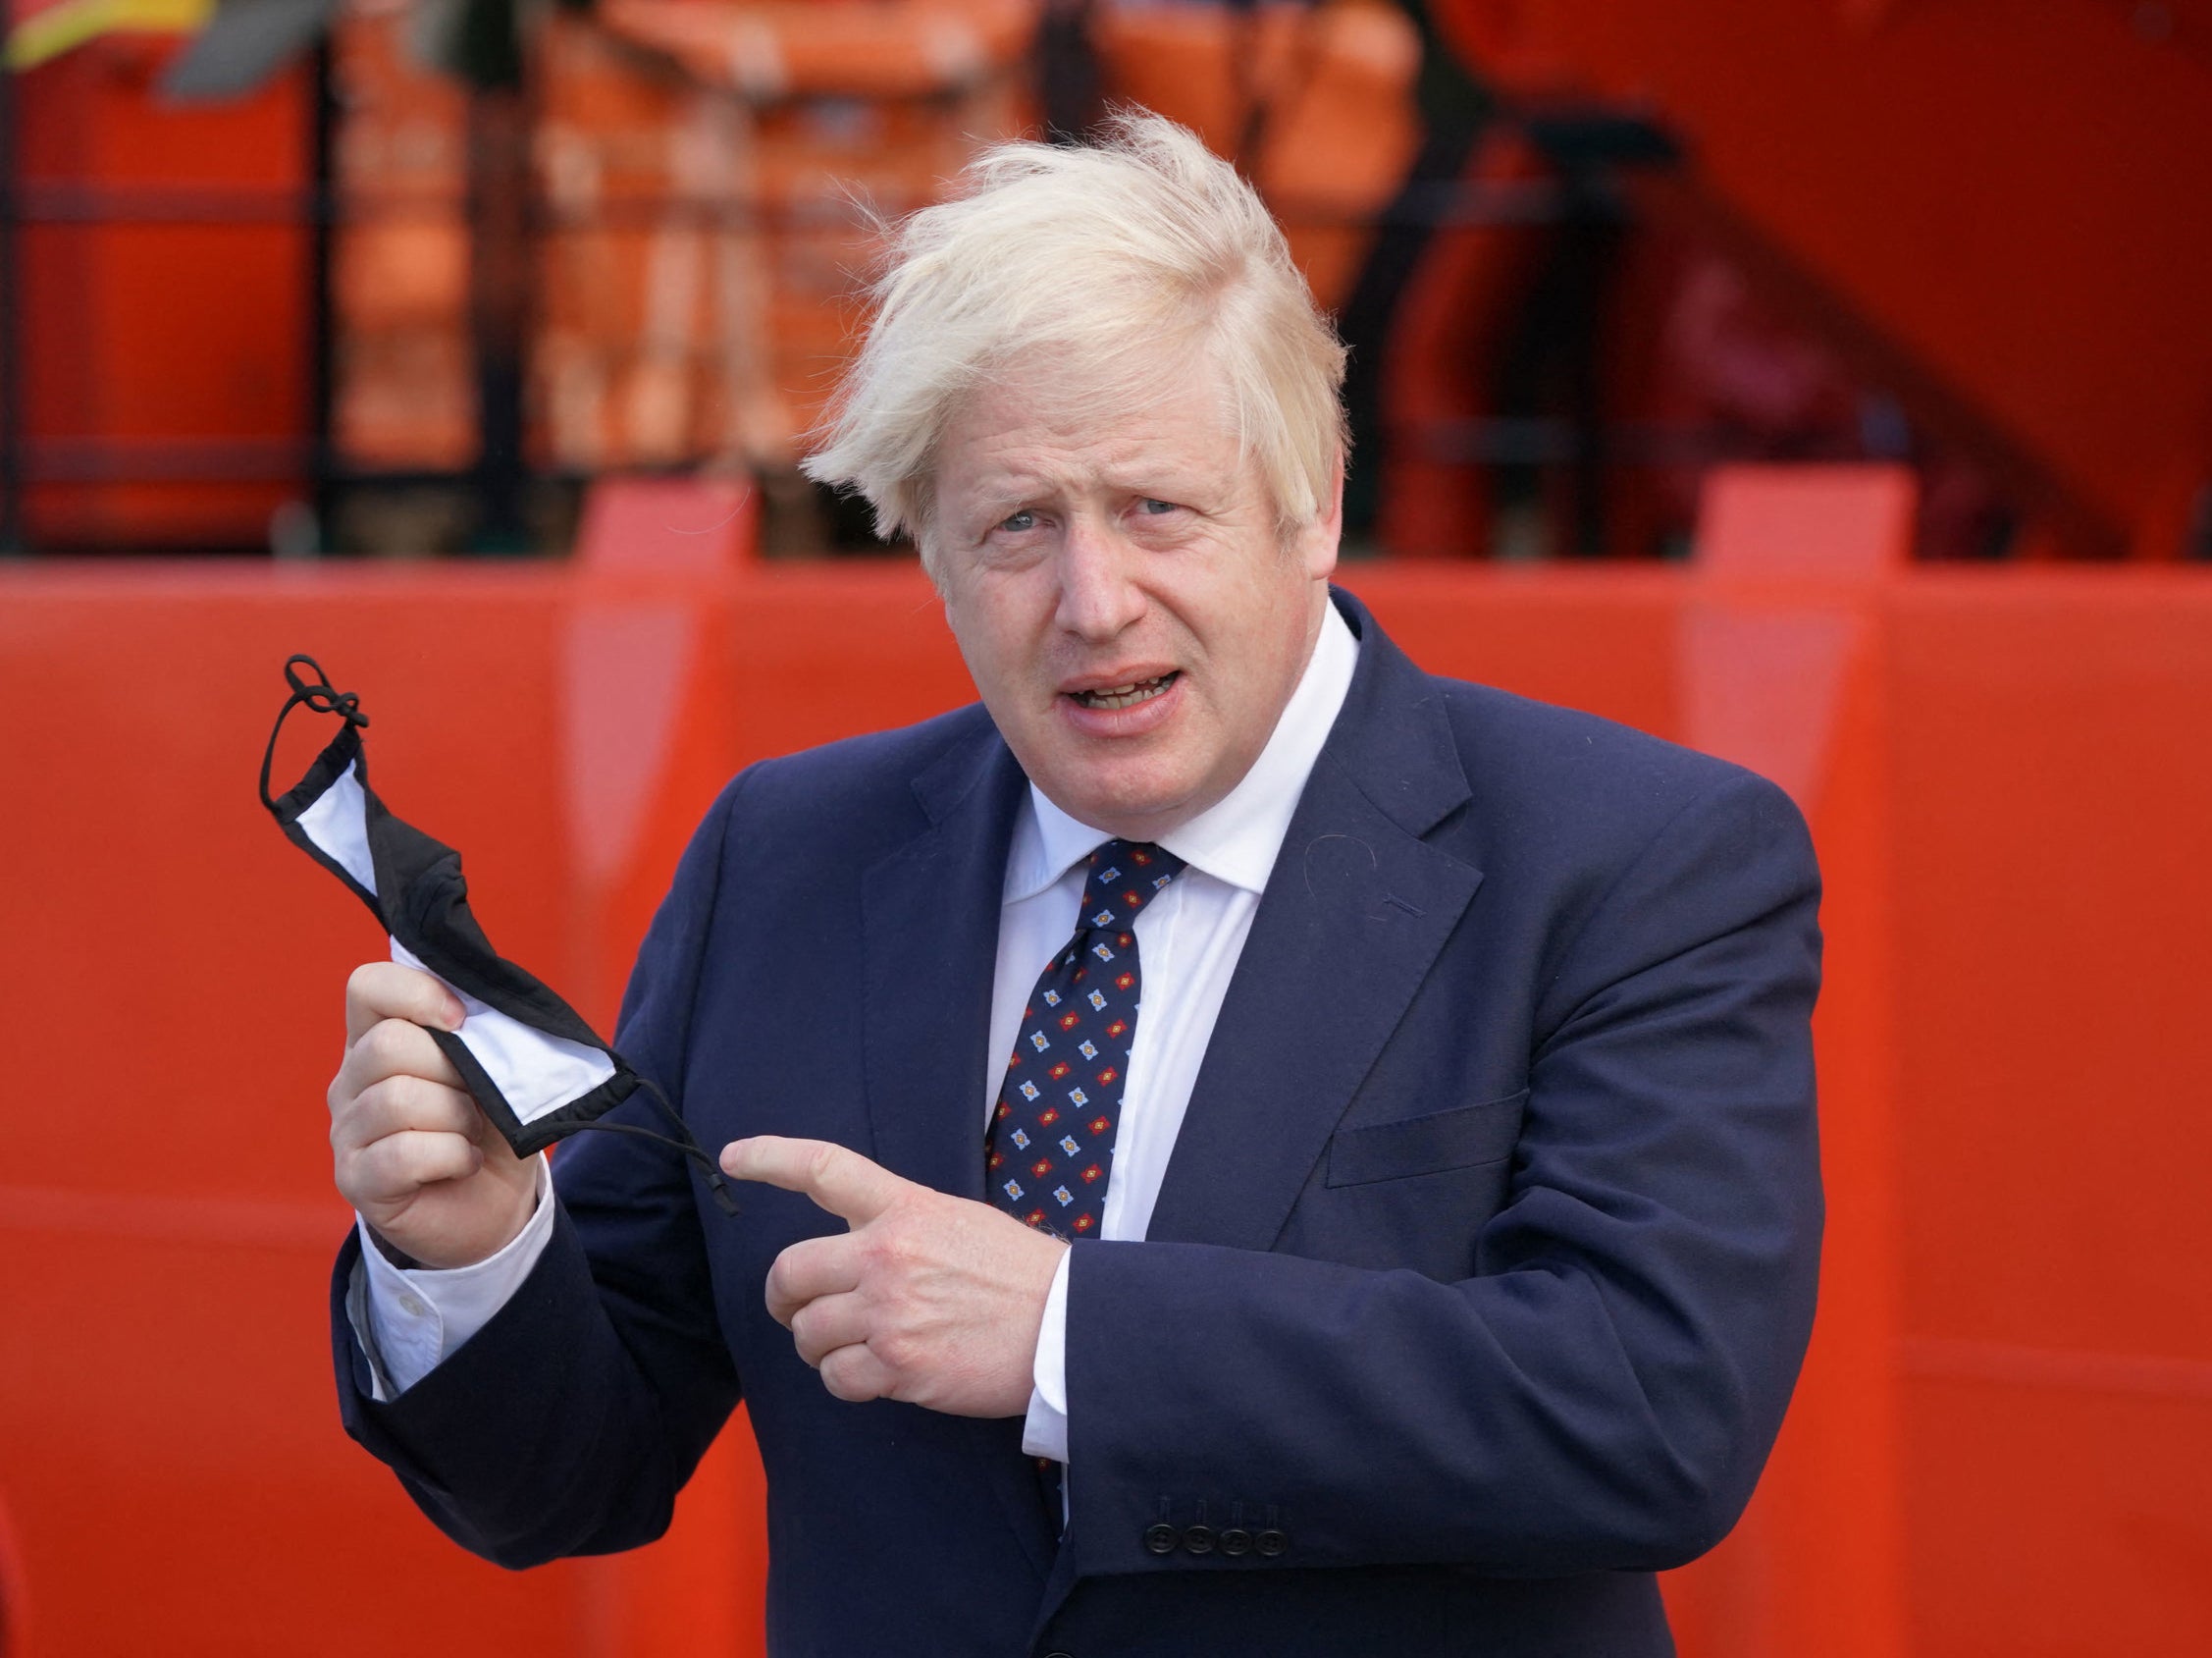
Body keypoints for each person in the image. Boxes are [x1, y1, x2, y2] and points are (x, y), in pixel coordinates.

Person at [325, 114, 1822, 1657]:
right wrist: (473, 1246)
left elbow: (1649, 1409)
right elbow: (567, 1479)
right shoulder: (783, 853)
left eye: (1154, 508)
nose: (1093, 604)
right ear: (928, 554)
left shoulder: (1638, 858)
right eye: (1017, 524)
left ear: (1310, 505)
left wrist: (1064, 1329)